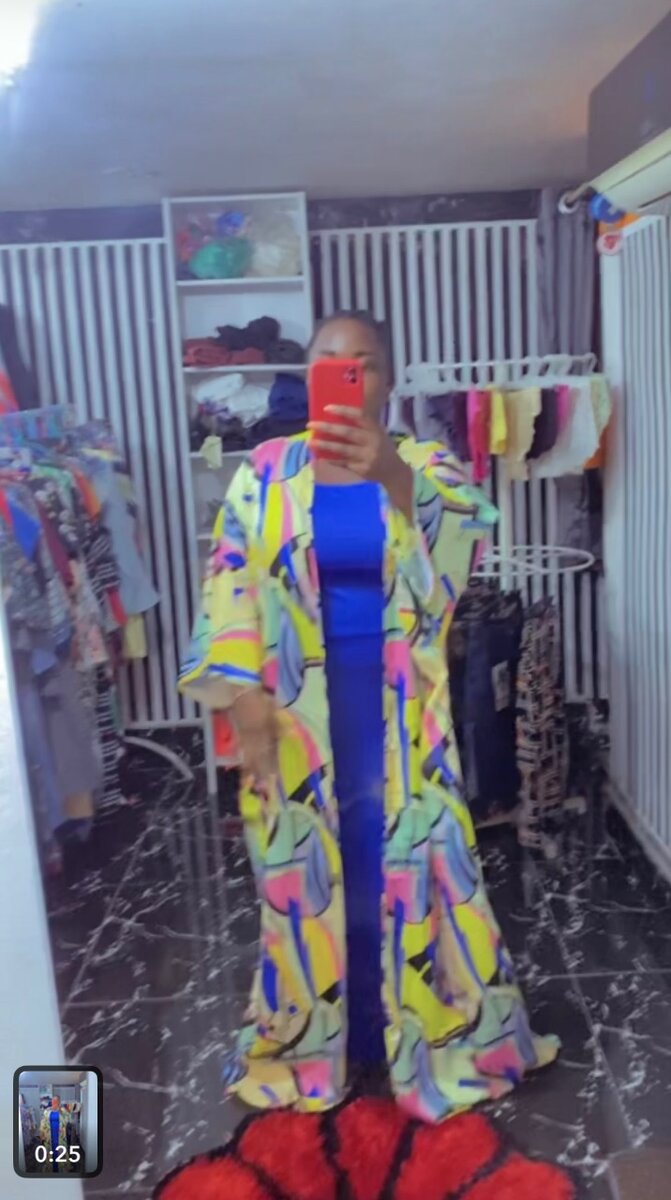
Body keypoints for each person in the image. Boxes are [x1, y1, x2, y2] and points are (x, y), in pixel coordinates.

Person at [179, 310, 559, 1122]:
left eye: (365, 362)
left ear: (385, 380)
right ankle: (323, 1040)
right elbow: (229, 578)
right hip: (294, 715)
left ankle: (431, 1029)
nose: (347, 372)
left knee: (415, 862)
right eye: (329, 357)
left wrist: (389, 471)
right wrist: (243, 699)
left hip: (400, 714)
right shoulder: (266, 470)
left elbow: (462, 544)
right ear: (307, 370)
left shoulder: (422, 463)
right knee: (305, 872)